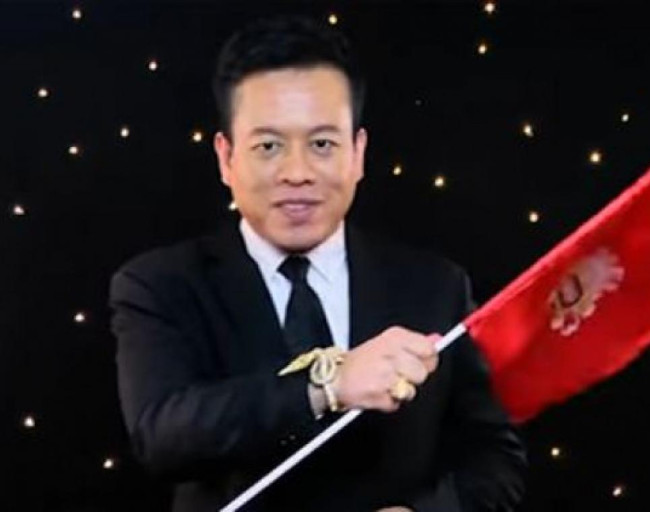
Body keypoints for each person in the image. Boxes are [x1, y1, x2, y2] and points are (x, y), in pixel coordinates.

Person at [109, 15, 526, 512]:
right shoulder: (160, 284)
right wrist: (328, 386)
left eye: (322, 144)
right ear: (226, 158)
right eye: (268, 146)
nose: (297, 172)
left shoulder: (435, 285)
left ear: (358, 153)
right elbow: (162, 436)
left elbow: (495, 457)